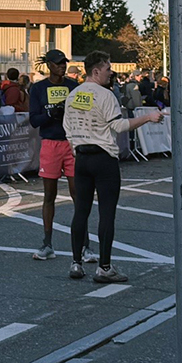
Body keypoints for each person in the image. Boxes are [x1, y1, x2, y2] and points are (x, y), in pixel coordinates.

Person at [62, 50, 163, 284]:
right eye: (108, 69)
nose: (111, 73)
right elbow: (119, 126)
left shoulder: (73, 95)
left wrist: (76, 149)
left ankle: (76, 262)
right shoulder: (105, 95)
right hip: (103, 157)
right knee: (107, 212)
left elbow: (67, 130)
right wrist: (148, 117)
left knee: (81, 211)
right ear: (96, 71)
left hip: (82, 157)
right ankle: (104, 267)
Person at [28, 49, 77, 260]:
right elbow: (34, 120)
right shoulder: (38, 88)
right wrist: (51, 113)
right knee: (49, 196)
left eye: (64, 62)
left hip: (72, 143)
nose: (62, 66)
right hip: (50, 143)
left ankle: (84, 245)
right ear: (49, 65)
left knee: (78, 195)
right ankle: (47, 243)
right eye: (58, 63)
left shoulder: (73, 86)